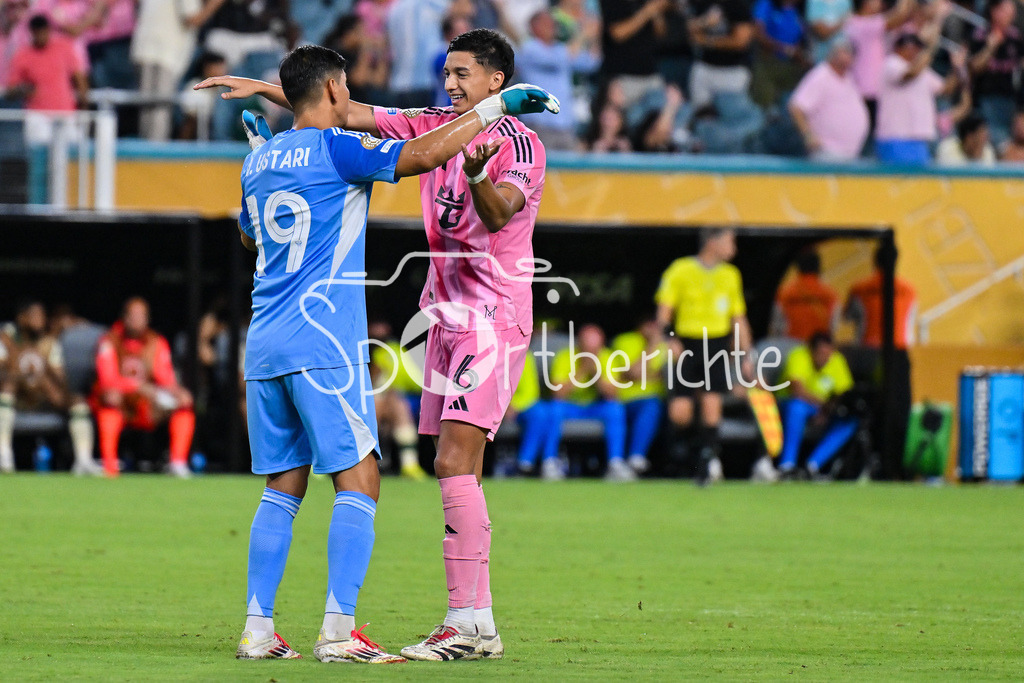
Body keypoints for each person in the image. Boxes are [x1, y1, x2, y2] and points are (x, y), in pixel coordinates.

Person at [199, 38, 558, 662]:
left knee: (448, 462)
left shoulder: (521, 143)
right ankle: (456, 623)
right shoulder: (429, 127)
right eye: (444, 71)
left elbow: (500, 213)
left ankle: (467, 622)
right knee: (423, 469)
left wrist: (477, 165)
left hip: (491, 312)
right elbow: (348, 115)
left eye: (462, 74)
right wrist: (275, 91)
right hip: (431, 318)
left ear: (497, 77)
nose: (448, 83)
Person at [656, 227, 753, 485]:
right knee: (680, 413)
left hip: (717, 345)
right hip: (687, 345)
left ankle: (704, 467)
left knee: (712, 408)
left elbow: (739, 318)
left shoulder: (731, 275)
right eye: (730, 241)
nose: (733, 247)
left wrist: (746, 356)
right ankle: (684, 457)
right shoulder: (680, 270)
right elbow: (664, 312)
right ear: (713, 242)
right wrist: (670, 337)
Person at [91, 297, 195, 478]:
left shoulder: (156, 342)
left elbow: (165, 378)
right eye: (133, 315)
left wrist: (177, 392)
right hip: (121, 403)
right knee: (110, 399)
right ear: (124, 317)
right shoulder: (109, 341)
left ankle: (178, 463)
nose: (137, 320)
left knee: (184, 402)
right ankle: (110, 465)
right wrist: (137, 387)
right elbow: (108, 379)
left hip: (147, 405)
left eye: (141, 315)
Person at [0, 300, 99, 475]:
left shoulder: (49, 343)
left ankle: (83, 460)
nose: (39, 321)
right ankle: (3, 454)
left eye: (41, 316)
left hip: (42, 398)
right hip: (17, 398)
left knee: (77, 400)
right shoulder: (7, 337)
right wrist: (20, 368)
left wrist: (43, 368)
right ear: (22, 318)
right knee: (7, 385)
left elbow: (60, 378)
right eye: (34, 316)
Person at [844, 246, 916, 477]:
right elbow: (911, 324)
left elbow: (848, 317)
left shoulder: (860, 288)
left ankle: (866, 461)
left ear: (875, 261)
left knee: (868, 407)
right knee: (898, 410)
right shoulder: (908, 290)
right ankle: (894, 463)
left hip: (869, 353)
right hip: (898, 353)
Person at [549, 324, 632, 481]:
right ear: (579, 344)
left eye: (595, 350)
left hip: (595, 408)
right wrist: (582, 370)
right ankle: (550, 462)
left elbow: (612, 395)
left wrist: (596, 372)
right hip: (570, 407)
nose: (591, 353)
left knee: (615, 409)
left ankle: (615, 463)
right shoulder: (565, 356)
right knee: (554, 409)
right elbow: (558, 394)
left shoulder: (607, 357)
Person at [131, 0, 220, 141]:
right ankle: (155, 156)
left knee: (148, 110)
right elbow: (193, 19)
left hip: (144, 48)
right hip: (163, 53)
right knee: (159, 110)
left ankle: (147, 154)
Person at [776, 331, 857, 478]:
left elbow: (844, 394)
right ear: (811, 350)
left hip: (822, 409)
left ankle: (812, 466)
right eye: (821, 353)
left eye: (829, 354)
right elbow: (797, 390)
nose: (825, 359)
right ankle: (787, 465)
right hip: (791, 404)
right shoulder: (798, 355)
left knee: (849, 422)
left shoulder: (836, 360)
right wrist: (824, 406)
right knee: (797, 408)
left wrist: (828, 411)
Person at [875, 32, 965, 165]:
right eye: (911, 47)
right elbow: (909, 75)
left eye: (918, 48)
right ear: (898, 48)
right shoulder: (891, 63)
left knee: (916, 184)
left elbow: (946, 90)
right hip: (895, 138)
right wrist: (930, 49)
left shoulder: (923, 71)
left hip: (919, 140)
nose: (916, 51)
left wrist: (956, 67)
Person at [517, 9, 600, 150]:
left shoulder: (560, 48)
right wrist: (583, 35)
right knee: (541, 170)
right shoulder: (529, 48)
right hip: (539, 126)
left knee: (570, 171)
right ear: (533, 27)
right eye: (546, 23)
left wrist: (594, 36)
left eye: (553, 23)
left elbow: (591, 63)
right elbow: (561, 58)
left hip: (565, 127)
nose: (552, 26)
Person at [4, 14, 88, 145]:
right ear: (32, 33)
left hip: (64, 112)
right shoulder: (23, 55)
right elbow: (10, 90)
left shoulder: (63, 47)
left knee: (70, 156)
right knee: (40, 156)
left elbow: (78, 76)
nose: (42, 36)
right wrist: (23, 89)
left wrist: (83, 103)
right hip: (38, 115)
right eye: (38, 33)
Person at [788, 37, 870, 159]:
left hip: (850, 153)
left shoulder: (849, 77)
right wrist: (808, 135)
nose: (848, 56)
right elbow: (796, 107)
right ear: (833, 53)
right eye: (845, 51)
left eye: (851, 53)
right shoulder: (821, 76)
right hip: (827, 152)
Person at [367, 319, 428, 480]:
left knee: (394, 402)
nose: (380, 329)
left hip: (412, 399)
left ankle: (395, 463)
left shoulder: (396, 350)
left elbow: (419, 380)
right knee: (380, 401)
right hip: (374, 402)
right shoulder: (363, 351)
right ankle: (407, 463)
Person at [844, 0, 916, 131]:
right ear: (866, 4)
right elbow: (900, 16)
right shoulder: (863, 24)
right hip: (867, 91)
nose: (880, 3)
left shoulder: (856, 22)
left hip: (869, 89)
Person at [610, 316, 667, 475]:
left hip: (661, 401)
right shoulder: (625, 341)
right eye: (650, 323)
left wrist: (648, 375)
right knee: (651, 406)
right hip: (628, 401)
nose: (654, 327)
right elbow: (635, 373)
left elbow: (672, 376)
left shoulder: (667, 344)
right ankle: (635, 457)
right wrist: (652, 345)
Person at [969, 0, 1024, 147]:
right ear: (994, 11)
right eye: (1006, 10)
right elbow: (974, 68)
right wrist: (990, 47)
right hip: (985, 100)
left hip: (1009, 100)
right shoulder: (980, 34)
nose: (1011, 14)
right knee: (993, 144)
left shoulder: (1015, 37)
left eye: (1012, 11)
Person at [687, 0, 755, 109]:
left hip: (732, 70)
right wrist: (704, 22)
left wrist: (708, 41)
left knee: (731, 114)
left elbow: (741, 42)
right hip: (705, 67)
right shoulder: (703, 3)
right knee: (700, 114)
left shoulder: (738, 5)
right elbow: (689, 30)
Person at [508, 351, 561, 480]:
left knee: (542, 413)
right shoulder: (485, 350)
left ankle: (527, 464)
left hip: (518, 407)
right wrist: (501, 404)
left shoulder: (524, 354)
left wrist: (513, 405)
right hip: (490, 406)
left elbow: (530, 392)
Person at [750, 0, 809, 108]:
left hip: (792, 65)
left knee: (789, 107)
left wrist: (800, 55)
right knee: (763, 104)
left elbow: (803, 38)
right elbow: (758, 34)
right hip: (768, 63)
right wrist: (786, 49)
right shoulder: (767, 4)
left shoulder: (801, 10)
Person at [771, 249, 839, 340]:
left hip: (790, 347)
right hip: (817, 349)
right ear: (818, 267)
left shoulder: (784, 293)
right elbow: (833, 325)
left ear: (798, 267)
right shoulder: (830, 295)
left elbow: (776, 323)